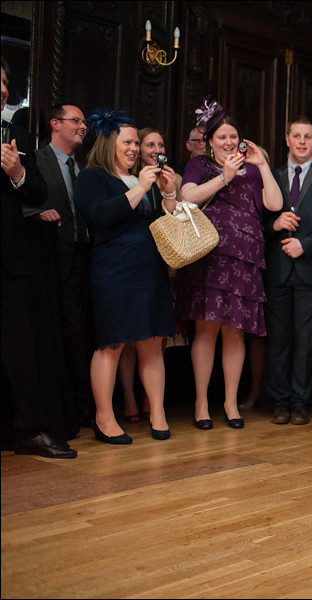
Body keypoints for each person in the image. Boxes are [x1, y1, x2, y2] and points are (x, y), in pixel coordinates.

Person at [176, 100, 282, 430]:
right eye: (222, 137)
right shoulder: (199, 165)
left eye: (233, 136)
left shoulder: (252, 167)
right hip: (210, 255)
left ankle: (231, 402)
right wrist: (225, 176)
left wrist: (262, 165)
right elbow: (188, 198)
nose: (228, 142)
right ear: (209, 141)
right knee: (206, 331)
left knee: (235, 333)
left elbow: (274, 204)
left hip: (246, 258)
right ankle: (202, 402)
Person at [74, 110, 177, 443]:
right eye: (128, 142)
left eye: (136, 142)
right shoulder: (92, 177)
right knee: (111, 344)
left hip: (150, 269)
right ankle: (104, 418)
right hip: (114, 270)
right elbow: (101, 215)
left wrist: (169, 192)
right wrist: (141, 187)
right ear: (109, 143)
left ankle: (158, 413)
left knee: (152, 344)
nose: (135, 149)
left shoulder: (144, 179)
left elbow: (165, 222)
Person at [1, 59, 77, 458]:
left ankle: (29, 430)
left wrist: (18, 173)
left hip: (11, 260)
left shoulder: (16, 136)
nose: (1, 88)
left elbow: (37, 192)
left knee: (19, 348)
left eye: (4, 82)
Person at [263, 116, 312, 426]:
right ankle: (279, 402)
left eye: (307, 136)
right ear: (287, 139)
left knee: (307, 342)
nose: (302, 142)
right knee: (278, 341)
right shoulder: (271, 175)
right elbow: (256, 223)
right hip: (277, 272)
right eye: (296, 136)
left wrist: (304, 245)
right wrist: (274, 224)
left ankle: (300, 402)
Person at [28, 104, 94, 426]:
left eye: (84, 122)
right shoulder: (37, 160)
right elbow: (23, 202)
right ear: (55, 124)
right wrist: (37, 213)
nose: (83, 126)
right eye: (76, 121)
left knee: (87, 331)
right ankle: (77, 405)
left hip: (87, 259)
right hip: (55, 261)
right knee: (70, 333)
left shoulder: (83, 166)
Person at [117, 128, 183, 422]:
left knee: (155, 338)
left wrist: (169, 190)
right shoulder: (128, 178)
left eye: (161, 143)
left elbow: (172, 218)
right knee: (128, 338)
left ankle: (152, 399)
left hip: (160, 263)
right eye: (149, 144)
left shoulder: (167, 177)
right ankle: (129, 397)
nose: (156, 148)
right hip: (127, 263)